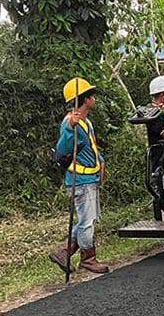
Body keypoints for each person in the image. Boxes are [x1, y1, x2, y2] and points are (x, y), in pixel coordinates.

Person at [48, 77, 110, 275]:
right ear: (84, 100)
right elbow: (63, 148)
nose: (94, 99)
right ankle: (88, 259)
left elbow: (90, 147)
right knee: (87, 221)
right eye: (91, 96)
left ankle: (64, 252)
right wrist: (69, 128)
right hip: (80, 181)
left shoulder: (86, 122)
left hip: (90, 180)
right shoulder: (70, 123)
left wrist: (101, 161)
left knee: (89, 219)